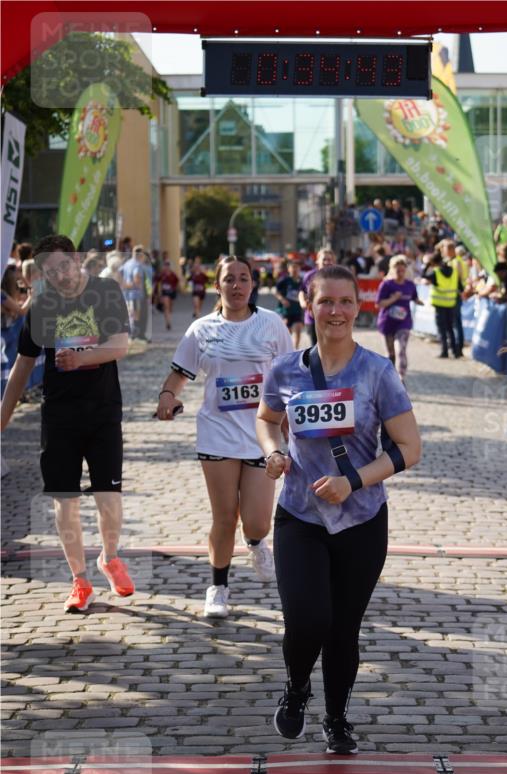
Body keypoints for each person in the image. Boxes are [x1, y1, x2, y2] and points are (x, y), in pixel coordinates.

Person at [256, 265, 421, 754]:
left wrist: (353, 481)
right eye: (325, 301)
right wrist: (273, 451)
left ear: (359, 306)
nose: (336, 311)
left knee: (343, 627)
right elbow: (267, 418)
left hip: (362, 518)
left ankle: (336, 718)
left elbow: (410, 448)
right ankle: (297, 687)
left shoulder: (377, 371)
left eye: (345, 301)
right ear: (309, 305)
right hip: (299, 514)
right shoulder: (285, 368)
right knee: (307, 620)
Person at [0, 234, 134, 611]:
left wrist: (83, 357)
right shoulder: (41, 307)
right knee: (65, 501)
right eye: (49, 271)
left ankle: (109, 557)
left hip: (103, 413)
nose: (60, 275)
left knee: (109, 501)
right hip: (59, 418)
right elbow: (21, 367)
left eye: (63, 265)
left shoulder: (105, 292)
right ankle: (79, 580)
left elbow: (120, 345)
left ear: (76, 260)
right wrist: (3, 416)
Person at [156, 255, 293, 618]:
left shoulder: (272, 324)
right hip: (216, 433)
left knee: (258, 520)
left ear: (253, 284)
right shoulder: (201, 329)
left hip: (262, 434)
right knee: (224, 516)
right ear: (217, 286)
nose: (236, 285)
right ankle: (218, 587)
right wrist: (167, 397)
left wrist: (292, 426)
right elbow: (178, 376)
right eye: (229, 279)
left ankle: (256, 543)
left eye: (243, 278)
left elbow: (290, 377)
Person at [375, 254, 421, 379]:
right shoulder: (386, 285)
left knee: (400, 349)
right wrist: (393, 298)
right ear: (392, 269)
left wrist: (418, 301)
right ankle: (390, 379)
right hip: (387, 322)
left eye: (402, 270)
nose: (400, 273)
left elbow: (414, 297)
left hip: (404, 322)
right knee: (390, 354)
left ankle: (401, 377)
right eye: (397, 270)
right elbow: (378, 304)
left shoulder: (410, 285)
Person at [424, 248, 461, 358]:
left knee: (442, 329)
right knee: (450, 328)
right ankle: (455, 351)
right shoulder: (454, 271)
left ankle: (444, 351)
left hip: (439, 304)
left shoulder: (436, 272)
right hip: (451, 303)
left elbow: (424, 276)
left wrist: (427, 265)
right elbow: (460, 287)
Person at [298, 247, 336, 346]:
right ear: (317, 261)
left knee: (330, 346)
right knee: (315, 348)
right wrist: (302, 302)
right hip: (312, 318)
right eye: (324, 259)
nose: (327, 262)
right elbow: (302, 291)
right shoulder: (310, 275)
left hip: (332, 318)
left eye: (329, 259)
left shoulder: (338, 276)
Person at [119, 245, 148, 339]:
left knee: (131, 316)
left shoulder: (127, 264)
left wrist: (124, 285)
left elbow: (119, 273)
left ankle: (134, 336)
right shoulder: (137, 265)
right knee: (137, 318)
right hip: (136, 296)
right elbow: (137, 281)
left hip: (127, 295)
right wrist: (132, 285)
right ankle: (136, 337)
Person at [276, 259, 305, 349]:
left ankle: (295, 351)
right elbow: (277, 292)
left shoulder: (302, 281)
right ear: (288, 269)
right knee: (286, 335)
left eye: (297, 267)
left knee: (298, 331)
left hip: (297, 311)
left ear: (300, 269)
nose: (295, 269)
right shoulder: (284, 280)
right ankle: (285, 351)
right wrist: (283, 300)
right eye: (293, 267)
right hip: (286, 311)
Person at [159, 260, 180, 331]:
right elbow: (158, 283)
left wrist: (174, 288)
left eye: (168, 266)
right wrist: (159, 294)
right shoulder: (162, 274)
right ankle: (168, 322)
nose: (167, 267)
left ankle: (168, 318)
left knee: (170, 308)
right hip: (165, 293)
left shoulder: (173, 275)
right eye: (165, 266)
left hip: (172, 293)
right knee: (166, 307)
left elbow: (177, 282)